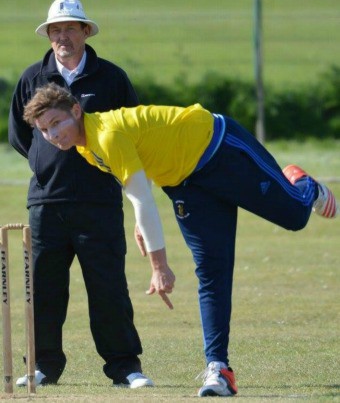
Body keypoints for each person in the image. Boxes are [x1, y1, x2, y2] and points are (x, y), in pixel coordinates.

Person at [23, 83, 338, 398]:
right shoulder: (84, 148)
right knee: (212, 270)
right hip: (183, 183)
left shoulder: (105, 135)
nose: (54, 134)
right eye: (45, 130)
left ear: (76, 111)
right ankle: (219, 369)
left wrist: (159, 267)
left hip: (217, 147)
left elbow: (143, 200)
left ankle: (302, 183)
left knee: (296, 216)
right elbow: (138, 180)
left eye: (58, 123)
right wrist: (140, 225)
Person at [8, 0, 153, 389]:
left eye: (70, 28)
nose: (62, 36)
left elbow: (131, 130)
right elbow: (21, 137)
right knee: (43, 288)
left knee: (108, 287)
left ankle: (125, 367)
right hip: (46, 203)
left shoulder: (111, 78)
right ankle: (42, 366)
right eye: (56, 30)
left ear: (86, 32)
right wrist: (46, 162)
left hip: (99, 201)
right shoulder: (32, 78)